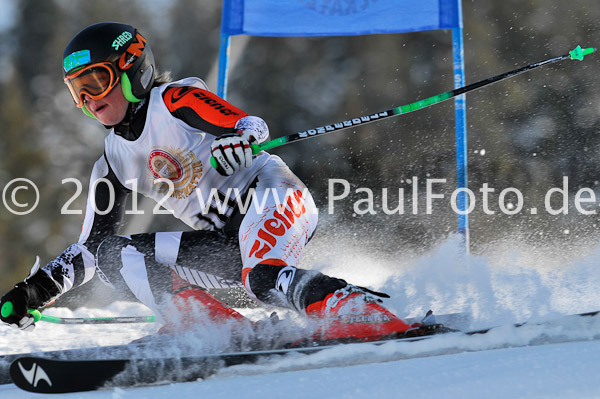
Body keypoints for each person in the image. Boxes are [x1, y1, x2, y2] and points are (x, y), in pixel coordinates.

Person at [0, 22, 417, 342]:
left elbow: (246, 122)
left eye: (95, 82)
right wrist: (33, 293)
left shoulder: (174, 101)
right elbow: (89, 251)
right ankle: (208, 326)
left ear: (130, 70)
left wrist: (241, 140)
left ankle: (355, 309)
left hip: (272, 199)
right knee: (113, 254)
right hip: (223, 243)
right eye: (78, 92)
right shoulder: (112, 161)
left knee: (263, 277)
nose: (89, 100)